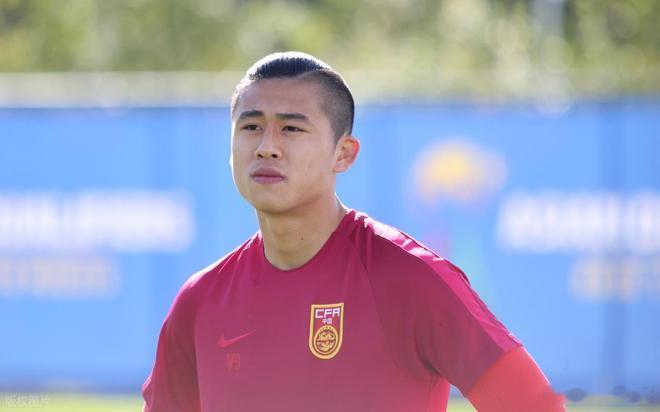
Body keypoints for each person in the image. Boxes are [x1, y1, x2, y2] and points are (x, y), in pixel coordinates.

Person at [142, 51, 565, 412]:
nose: (267, 146)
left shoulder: (410, 278)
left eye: (291, 128)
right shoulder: (199, 301)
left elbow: (535, 405)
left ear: (343, 153)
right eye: (251, 127)